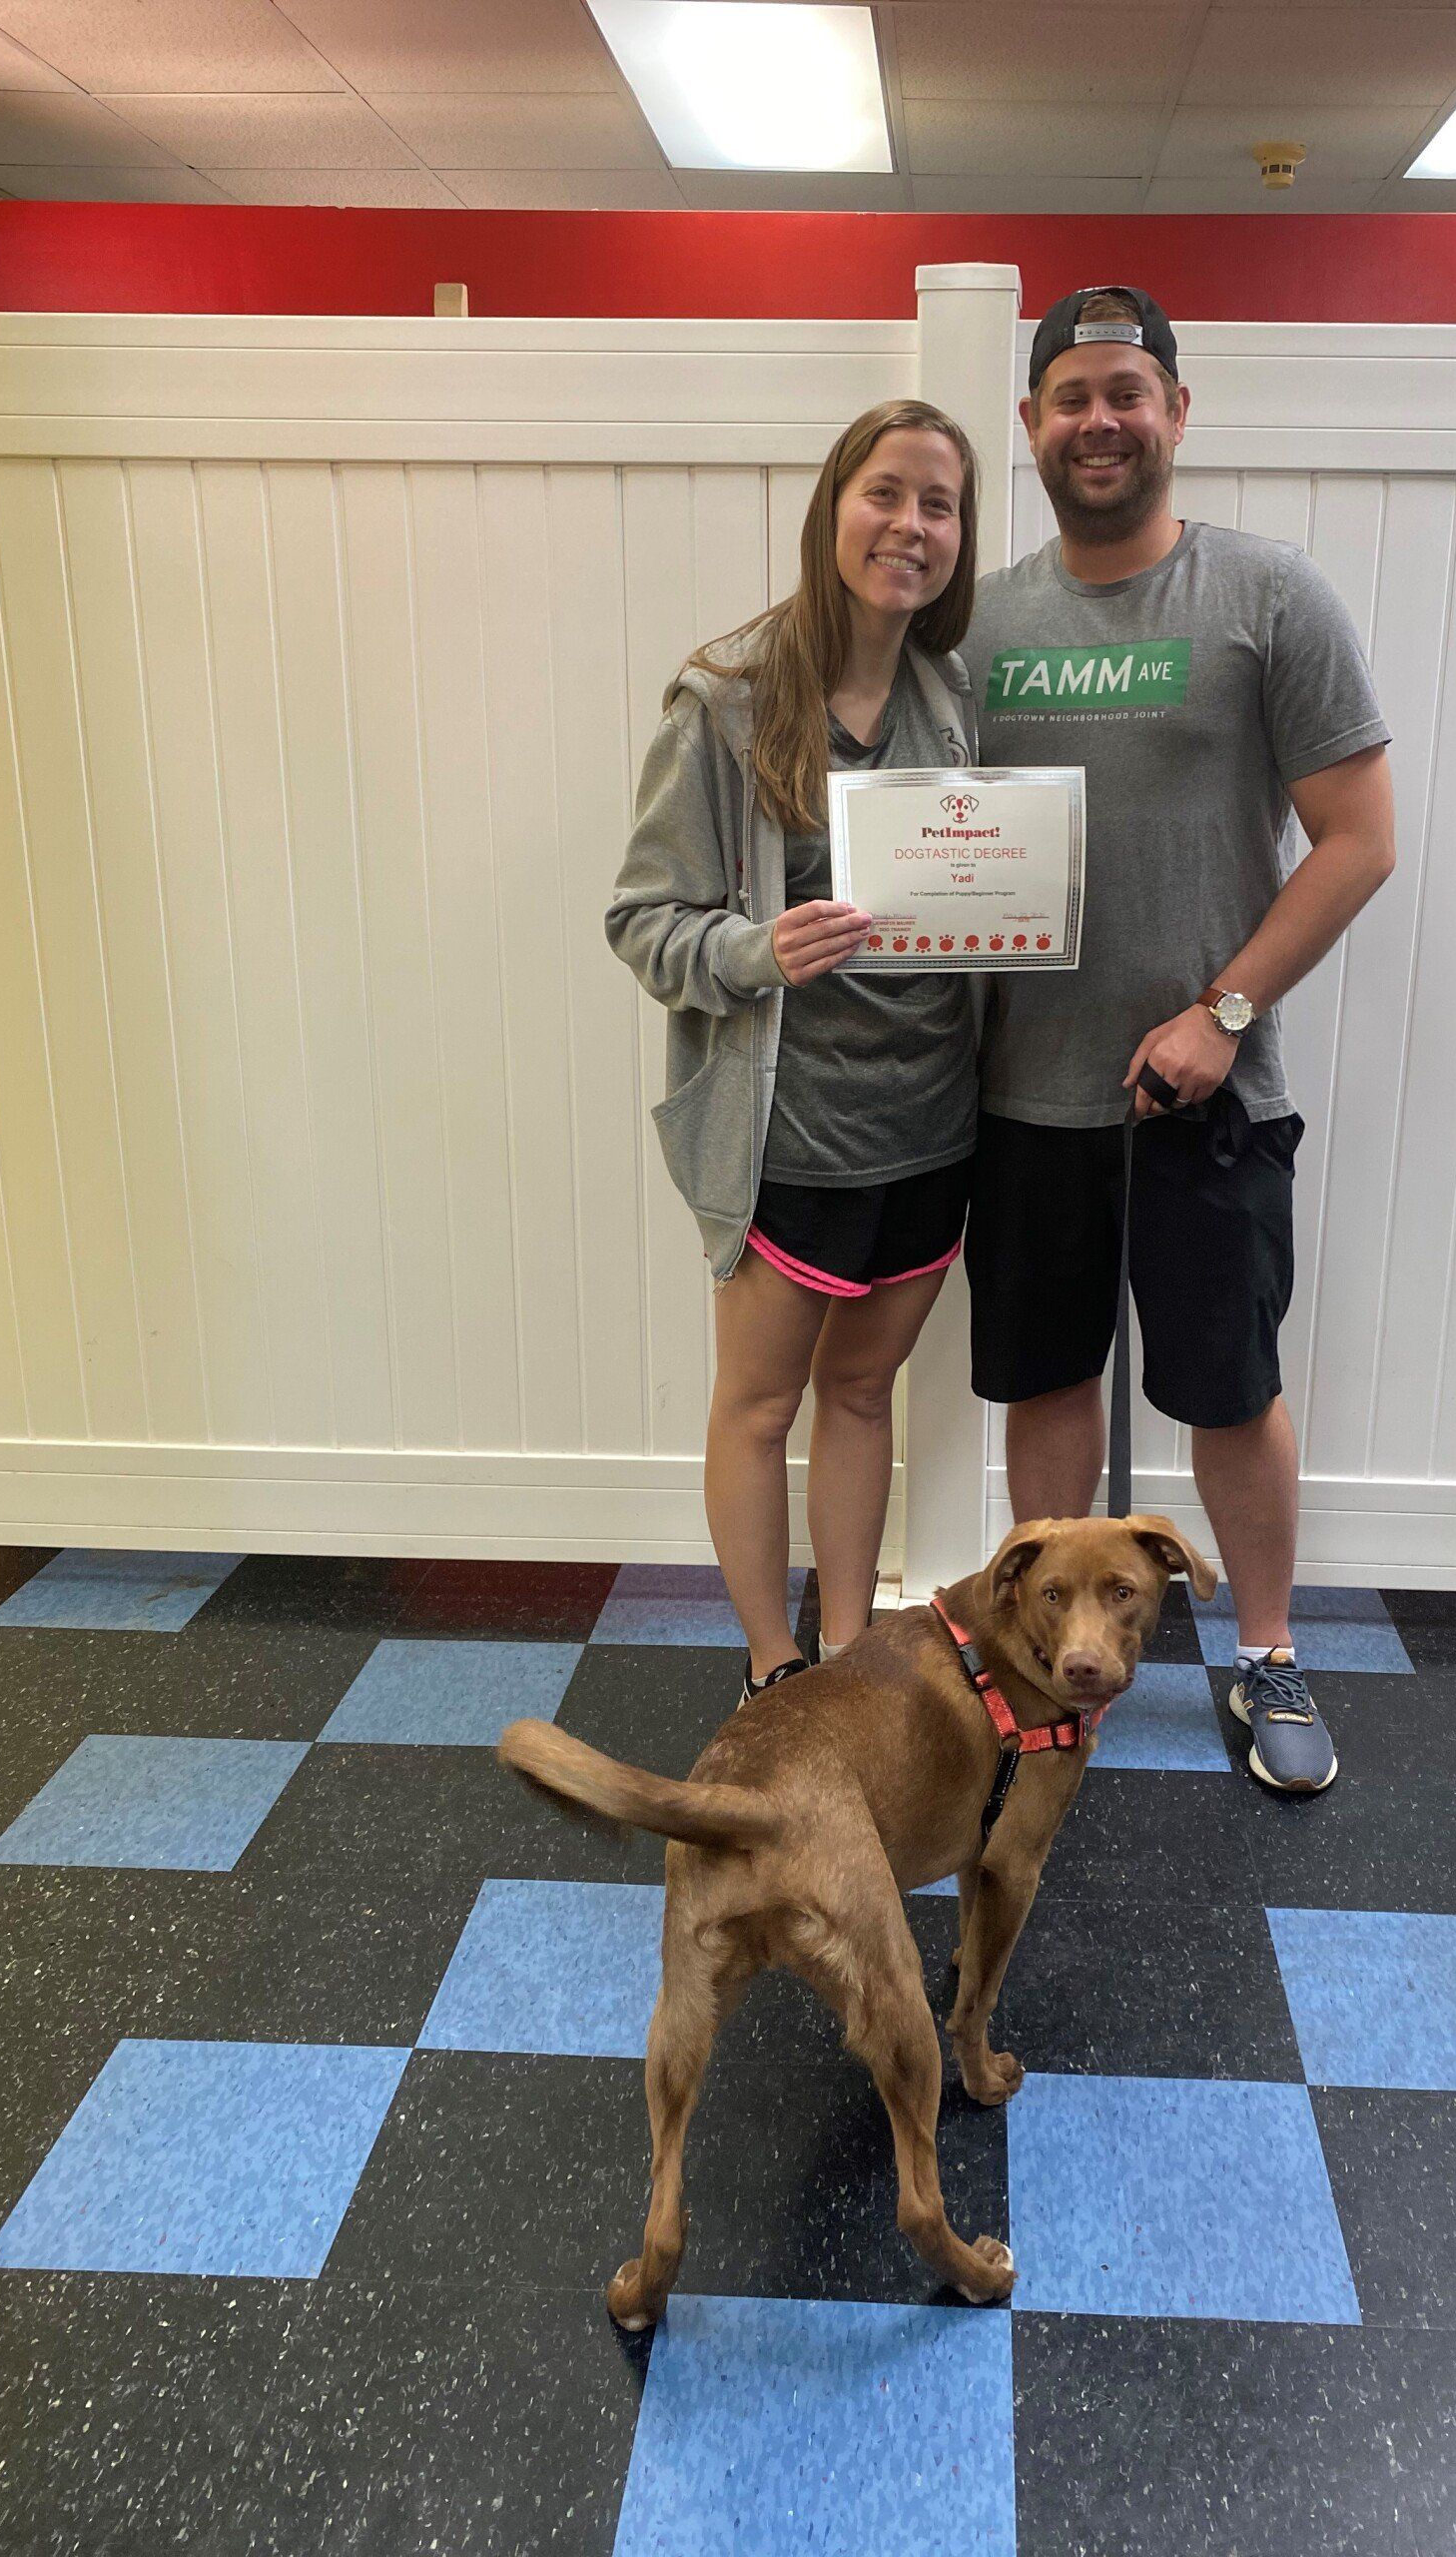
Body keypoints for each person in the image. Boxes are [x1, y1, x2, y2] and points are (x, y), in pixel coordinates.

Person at [962, 287, 1397, 1793]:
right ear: (1031, 425)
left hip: (1208, 1096)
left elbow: (1356, 841)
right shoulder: (983, 626)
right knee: (1045, 1380)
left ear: (1175, 415)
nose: (1100, 420)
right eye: (1071, 396)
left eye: (1127, 394)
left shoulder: (1269, 599)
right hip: (1020, 1096)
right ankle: (1036, 1676)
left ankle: (1268, 1656)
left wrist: (1224, 1014)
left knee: (1229, 1389)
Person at [606, 400, 983, 1704]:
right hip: (791, 1140)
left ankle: (848, 1657)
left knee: (866, 1393)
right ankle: (775, 1670)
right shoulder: (726, 700)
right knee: (763, 1409)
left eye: (939, 505)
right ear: (835, 505)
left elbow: (978, 897)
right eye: (888, 494)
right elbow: (642, 922)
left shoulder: (952, 699)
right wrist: (757, 952)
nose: (911, 526)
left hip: (932, 1131)